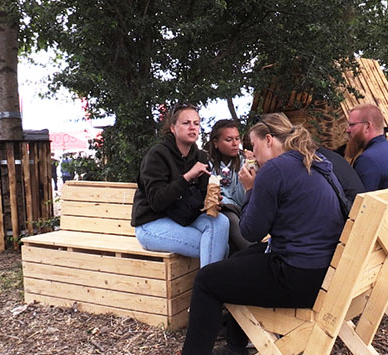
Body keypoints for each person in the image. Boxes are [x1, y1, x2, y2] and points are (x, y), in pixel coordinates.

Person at [181, 112, 345, 355]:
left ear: (269, 140)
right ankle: (236, 347)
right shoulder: (314, 160)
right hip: (325, 270)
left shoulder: (275, 169)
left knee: (206, 280)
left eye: (254, 146)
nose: (253, 153)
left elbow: (250, 231)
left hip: (299, 277)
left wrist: (250, 189)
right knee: (238, 261)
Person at [130, 104, 230, 267]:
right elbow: (157, 201)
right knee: (217, 247)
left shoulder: (199, 156)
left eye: (196, 123)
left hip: (181, 217)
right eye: (186, 123)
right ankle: (208, 289)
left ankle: (207, 288)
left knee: (221, 222)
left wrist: (213, 200)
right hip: (151, 223)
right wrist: (188, 177)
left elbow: (204, 194)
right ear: (173, 128)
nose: (192, 127)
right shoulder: (157, 155)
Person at [206, 119, 251, 254]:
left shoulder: (245, 161)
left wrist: (247, 171)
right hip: (218, 211)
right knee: (227, 218)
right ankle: (256, 253)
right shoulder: (206, 163)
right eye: (229, 139)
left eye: (237, 139)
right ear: (216, 143)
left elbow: (243, 198)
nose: (235, 143)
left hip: (242, 210)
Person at [345, 103, 388, 191]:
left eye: (352, 125)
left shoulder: (368, 159)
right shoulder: (387, 149)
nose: (347, 130)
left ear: (367, 126)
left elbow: (362, 202)